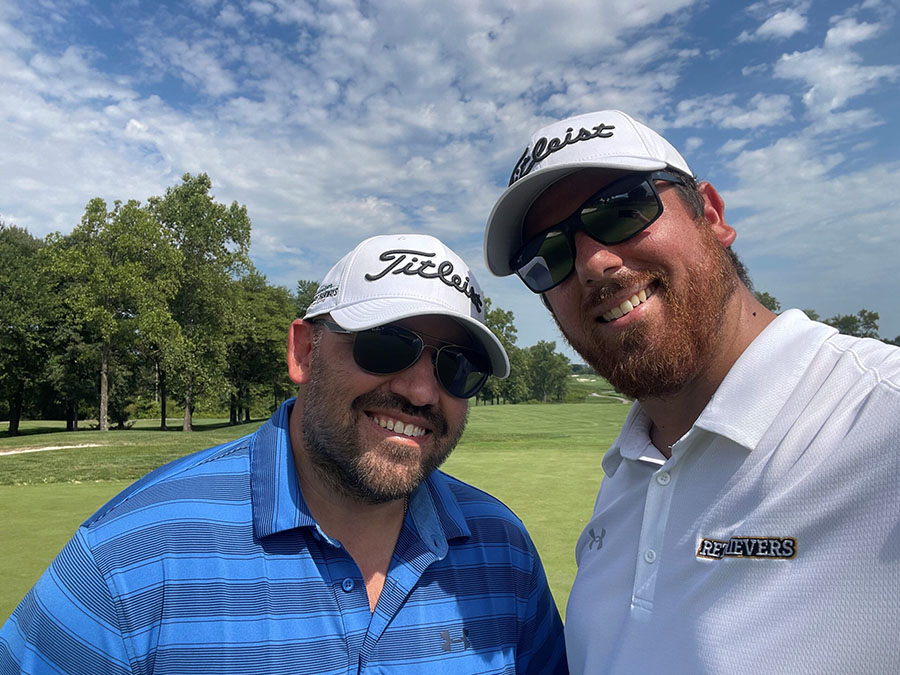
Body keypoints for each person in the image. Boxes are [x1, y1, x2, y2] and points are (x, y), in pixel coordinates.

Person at [0, 233, 567, 674]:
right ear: (303, 351)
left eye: (456, 367)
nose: (421, 392)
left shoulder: (505, 551)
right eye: (385, 343)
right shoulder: (132, 551)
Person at [483, 109, 900, 674]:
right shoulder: (627, 472)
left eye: (622, 210)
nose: (593, 263)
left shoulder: (882, 419)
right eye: (548, 255)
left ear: (711, 215)